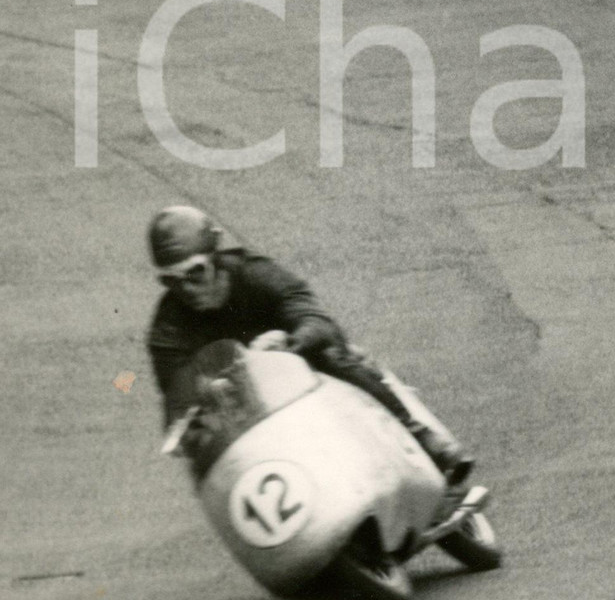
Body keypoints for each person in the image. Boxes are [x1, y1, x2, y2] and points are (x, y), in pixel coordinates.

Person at [145, 205, 473, 485]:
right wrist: (201, 394)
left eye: (194, 274)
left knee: (332, 353)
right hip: (243, 407)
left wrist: (291, 343)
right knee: (202, 450)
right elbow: (174, 392)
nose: (185, 289)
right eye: (170, 281)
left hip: (304, 371)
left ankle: (422, 438)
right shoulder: (167, 328)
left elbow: (314, 318)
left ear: (214, 258)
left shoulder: (255, 274)